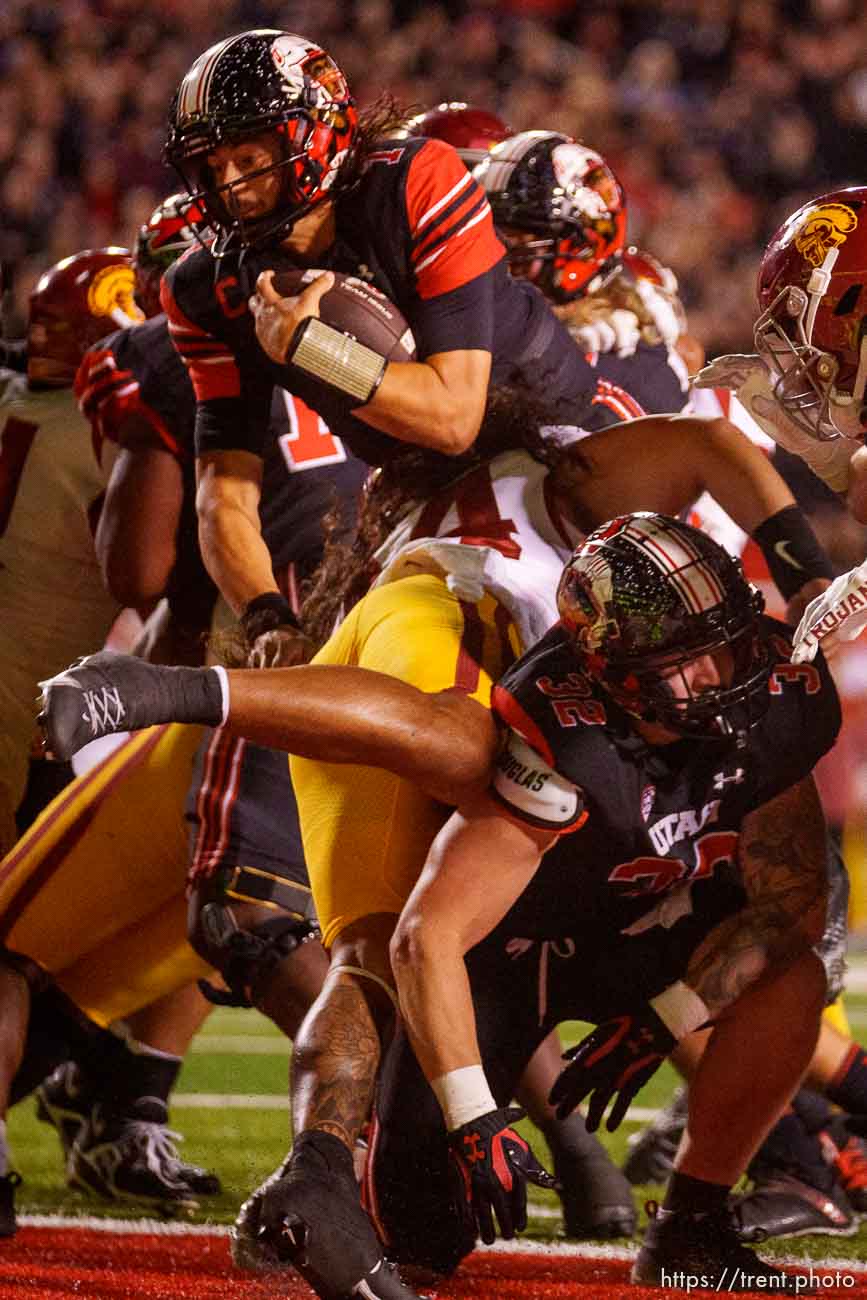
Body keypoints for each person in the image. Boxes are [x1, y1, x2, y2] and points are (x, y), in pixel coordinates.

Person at [39, 400, 833, 1296]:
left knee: (793, 971)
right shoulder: (559, 721)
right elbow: (434, 934)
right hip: (502, 925)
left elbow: (794, 901)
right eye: (676, 662)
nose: (710, 682)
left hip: (627, 924)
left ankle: (690, 1223)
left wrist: (666, 1017)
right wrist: (472, 1113)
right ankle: (161, 690)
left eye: (721, 650)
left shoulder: (770, 690)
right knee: (420, 843)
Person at [159, 28, 628, 647]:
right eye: (212, 166)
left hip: (564, 446)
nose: (233, 187)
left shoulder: (412, 181)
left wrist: (312, 348)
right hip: (424, 486)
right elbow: (225, 490)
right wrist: (267, 616)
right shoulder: (206, 291)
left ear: (316, 132)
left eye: (250, 158)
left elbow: (455, 416)